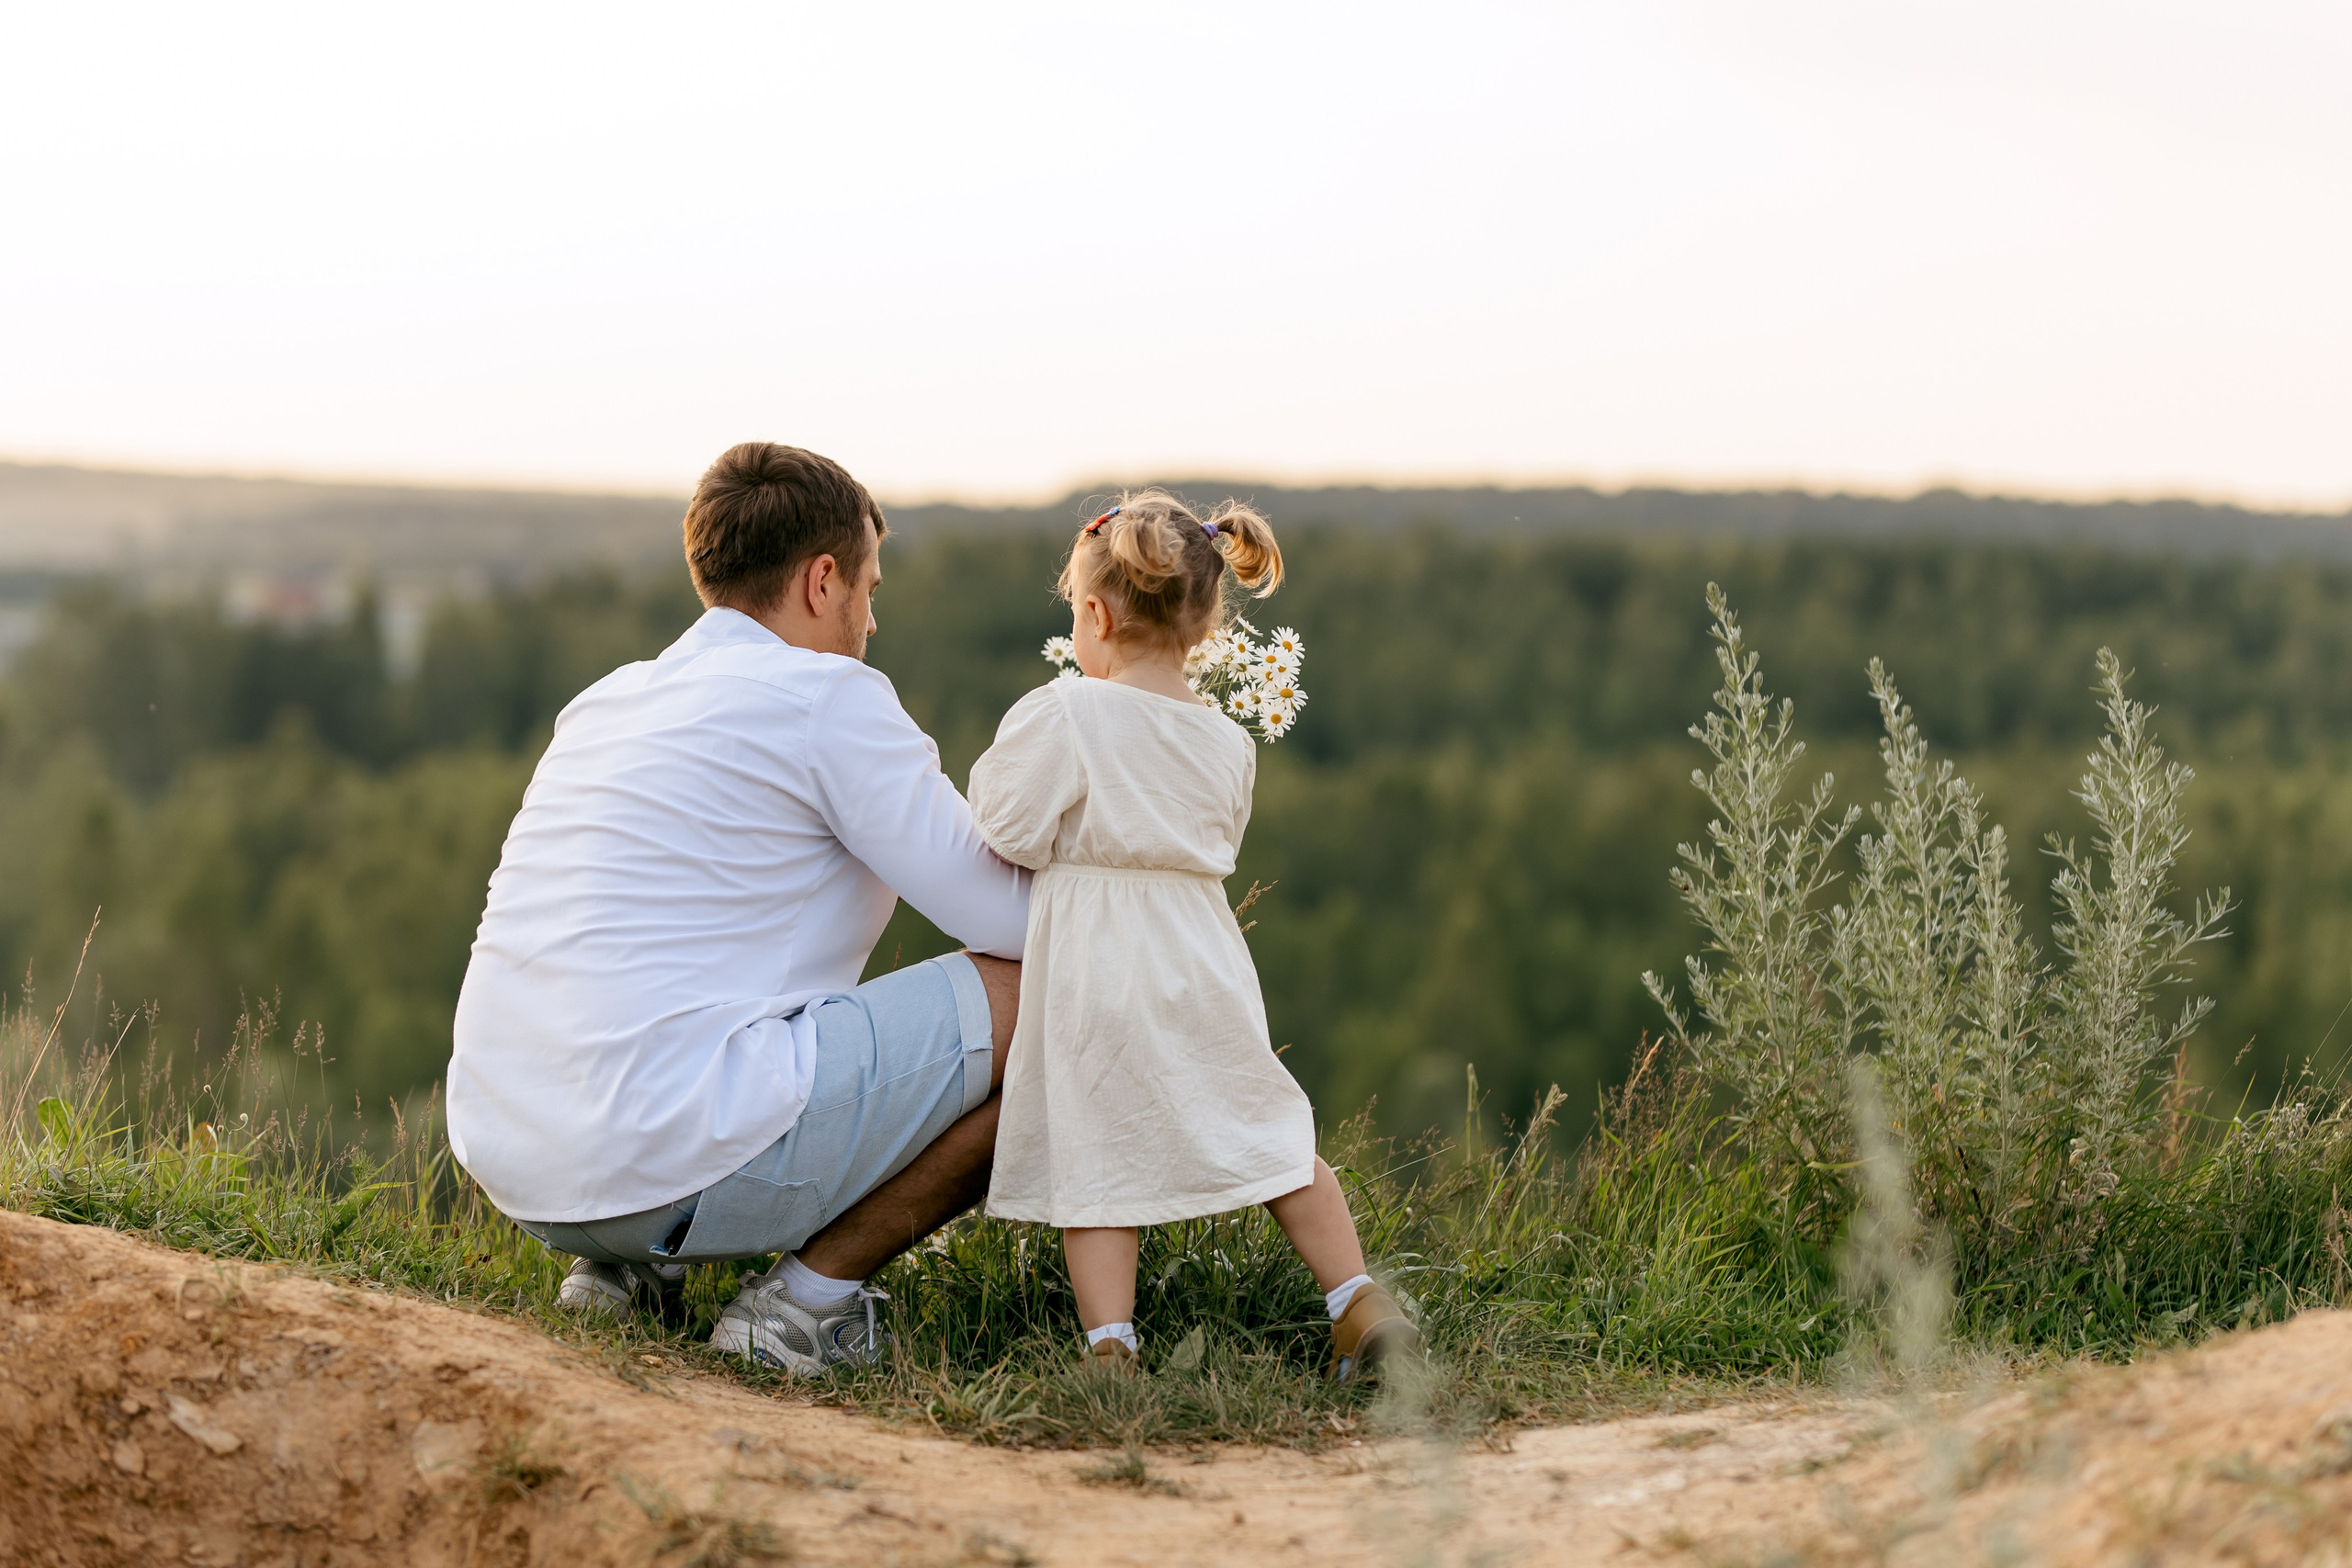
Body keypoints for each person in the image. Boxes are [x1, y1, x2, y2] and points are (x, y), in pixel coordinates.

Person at [447, 441, 1030, 1373]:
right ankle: (806, 1307)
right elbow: (1013, 927)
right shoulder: (828, 697)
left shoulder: (605, 701)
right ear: (822, 579)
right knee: (1063, 996)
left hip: (512, 1153)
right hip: (654, 1150)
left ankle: (623, 1271)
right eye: (871, 591)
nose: (870, 622)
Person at [967, 490, 1419, 1379]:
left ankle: (1111, 1349)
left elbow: (1006, 826)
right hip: (1201, 948)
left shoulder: (1066, 712)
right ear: (1206, 623)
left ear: (1092, 614)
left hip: (1097, 954)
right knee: (1264, 1122)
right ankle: (1356, 1299)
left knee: (1098, 1143)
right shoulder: (1225, 740)